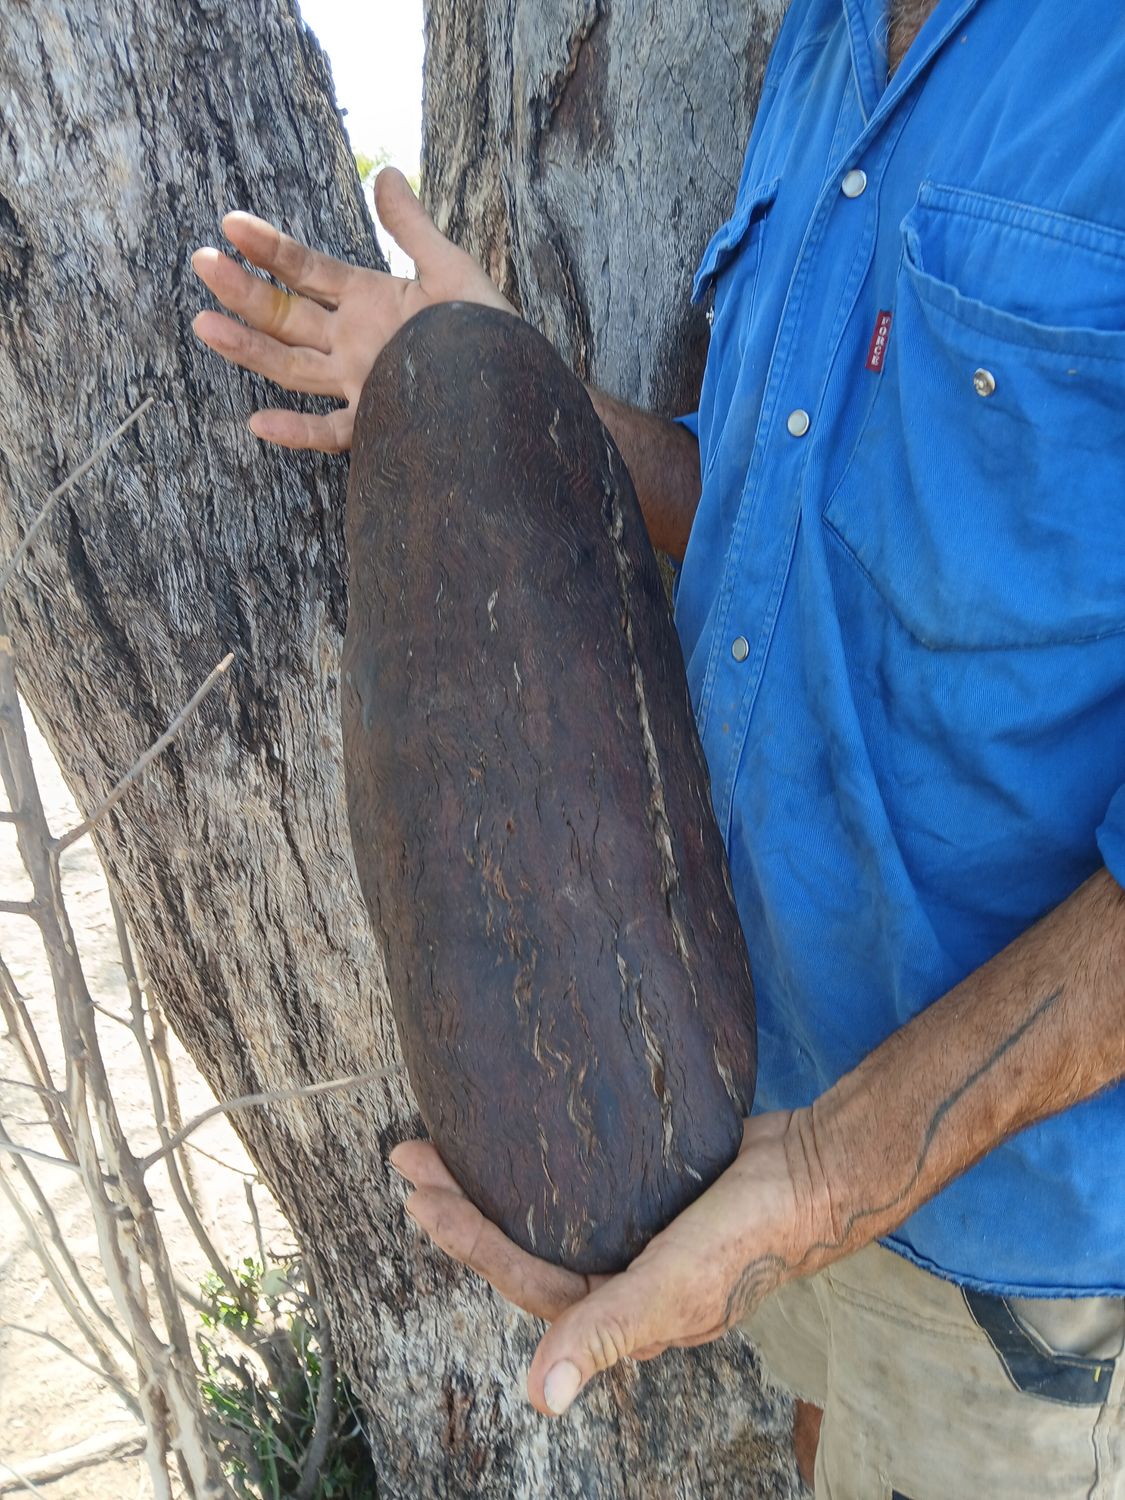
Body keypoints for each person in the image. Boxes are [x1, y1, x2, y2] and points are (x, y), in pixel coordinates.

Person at [192, 0, 1125, 1492]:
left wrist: (829, 1180)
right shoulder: (825, 56)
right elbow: (776, 524)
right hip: (768, 1109)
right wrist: (482, 382)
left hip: (1009, 1236)